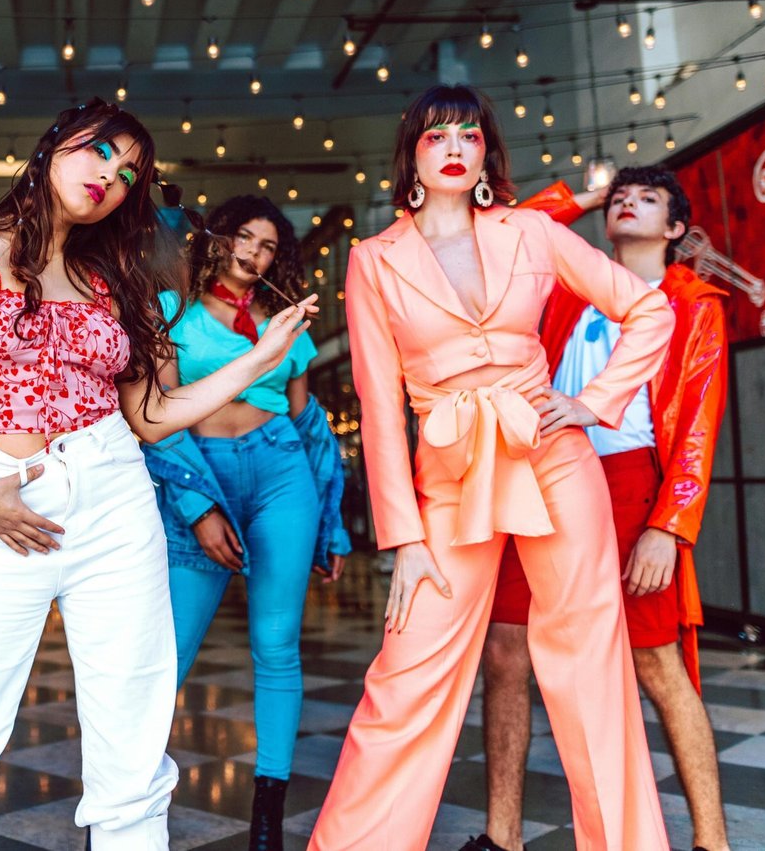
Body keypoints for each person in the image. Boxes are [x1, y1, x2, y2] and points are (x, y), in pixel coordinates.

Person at [0, 98, 318, 850]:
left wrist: (259, 359)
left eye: (128, 170)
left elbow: (151, 413)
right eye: (99, 150)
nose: (109, 173)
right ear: (52, 147)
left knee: (133, 741)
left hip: (112, 493)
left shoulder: (113, 274)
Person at [307, 84, 675, 850]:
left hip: (553, 455)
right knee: (408, 671)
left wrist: (592, 402)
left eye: (468, 135)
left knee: (590, 666)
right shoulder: (376, 260)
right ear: (411, 153)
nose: (453, 146)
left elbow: (649, 309)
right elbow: (379, 407)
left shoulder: (531, 233)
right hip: (449, 478)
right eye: (436, 134)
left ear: (484, 154)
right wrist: (402, 538)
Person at [466, 168, 729, 851]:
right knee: (505, 647)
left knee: (656, 664)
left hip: (631, 485)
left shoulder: (694, 303)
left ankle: (712, 840)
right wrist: (577, 196)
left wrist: (668, 526)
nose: (625, 203)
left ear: (675, 229)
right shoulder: (565, 291)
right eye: (618, 197)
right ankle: (501, 837)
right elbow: (505, 229)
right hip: (543, 474)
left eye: (647, 198)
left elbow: (698, 423)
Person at [143, 194, 351, 847]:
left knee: (277, 644)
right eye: (246, 238)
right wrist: (197, 506)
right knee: (167, 653)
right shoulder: (172, 311)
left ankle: (267, 815)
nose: (254, 253)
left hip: (280, 473)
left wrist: (333, 524)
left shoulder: (287, 325)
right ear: (222, 238)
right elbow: (157, 416)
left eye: (268, 245)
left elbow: (309, 424)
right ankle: (131, 800)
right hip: (198, 472)